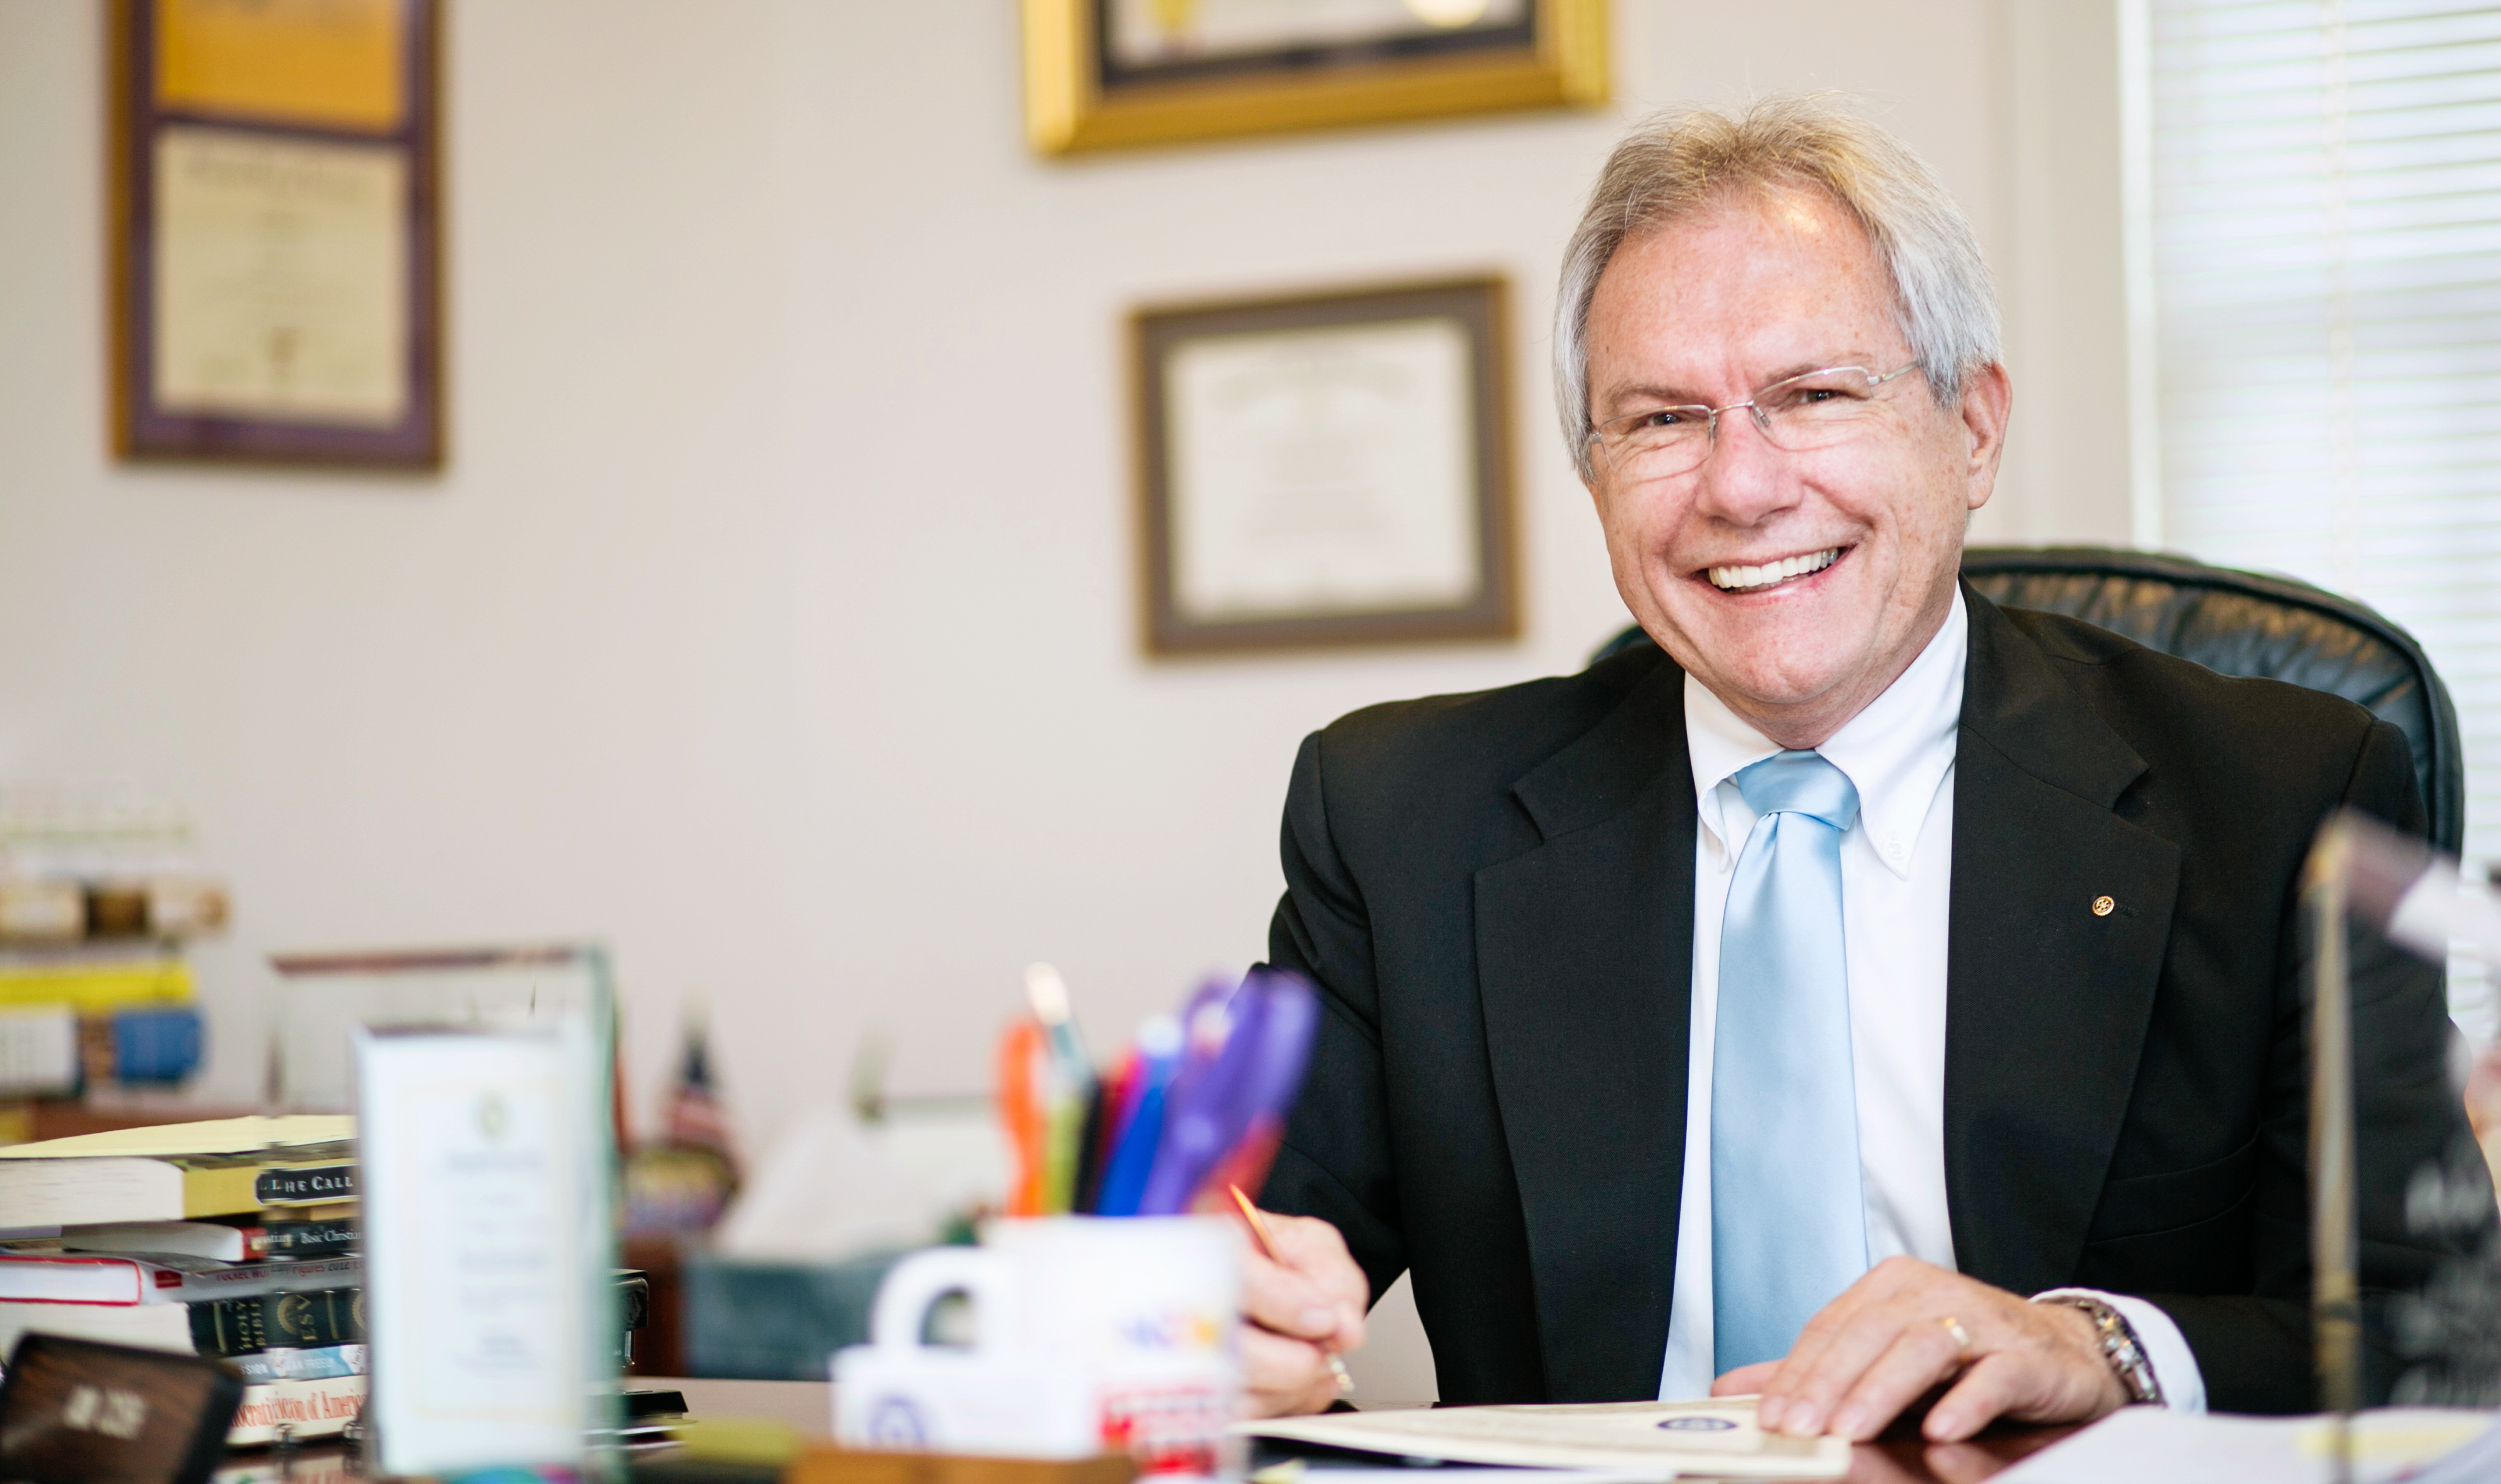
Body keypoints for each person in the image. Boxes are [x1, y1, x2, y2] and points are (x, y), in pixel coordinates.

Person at [1229, 97, 2492, 1443]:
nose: (1742, 486)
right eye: (1662, 419)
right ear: (1593, 474)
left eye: (1814, 395)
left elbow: (2429, 1330)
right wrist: (1222, 1316)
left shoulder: (2281, 796)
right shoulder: (1402, 817)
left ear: (1974, 430)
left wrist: (2099, 1344)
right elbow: (1247, 1246)